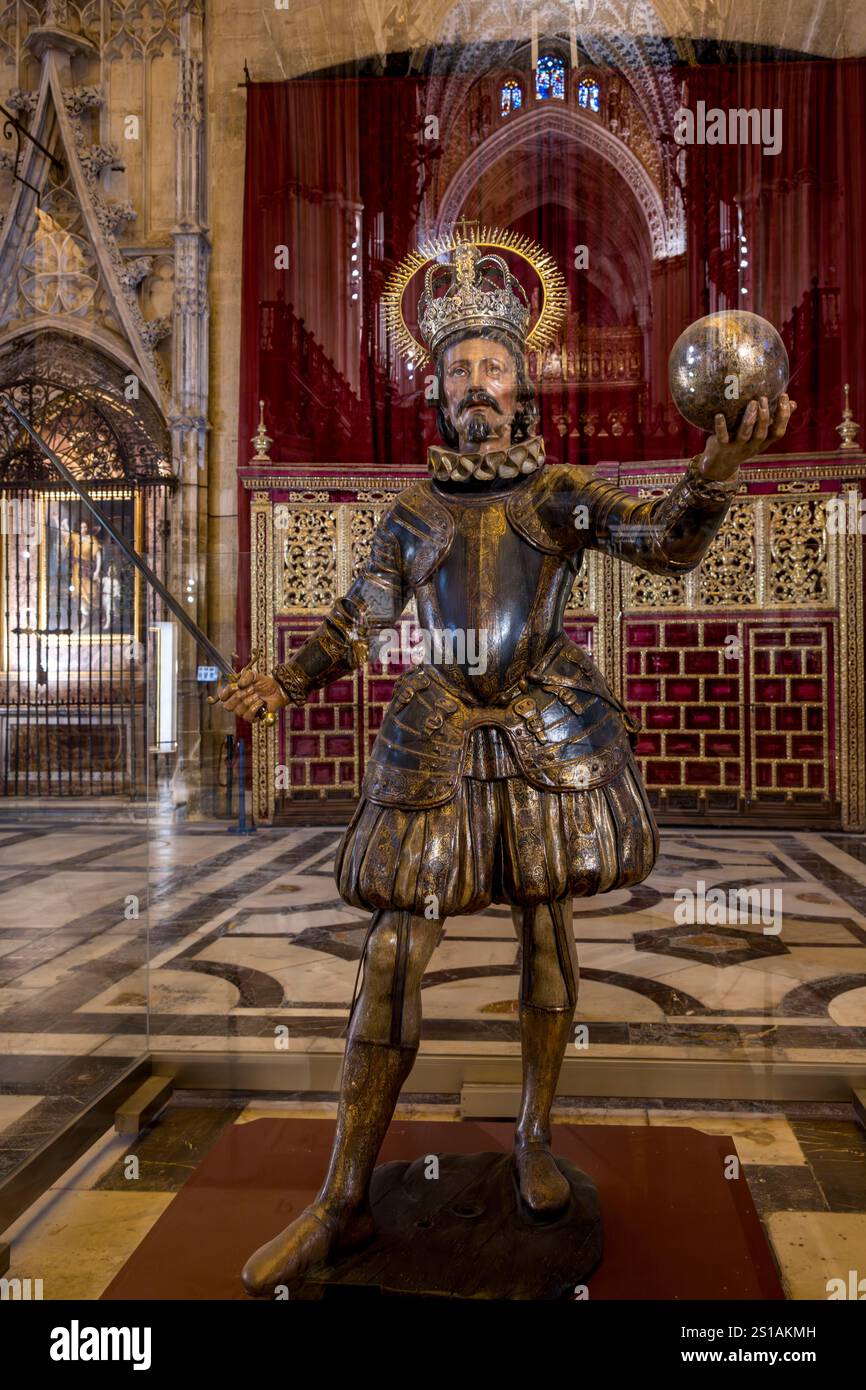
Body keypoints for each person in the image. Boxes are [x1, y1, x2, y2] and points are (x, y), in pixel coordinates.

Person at [218, 240, 796, 1295]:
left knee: (544, 926)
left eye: (490, 366)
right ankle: (339, 1197)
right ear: (432, 393)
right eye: (456, 372)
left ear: (521, 382)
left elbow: (659, 540)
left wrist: (709, 478)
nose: (474, 386)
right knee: (391, 957)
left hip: (540, 720)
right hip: (436, 726)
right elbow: (358, 621)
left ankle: (532, 1135)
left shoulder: (557, 494)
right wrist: (287, 685)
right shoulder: (414, 514)